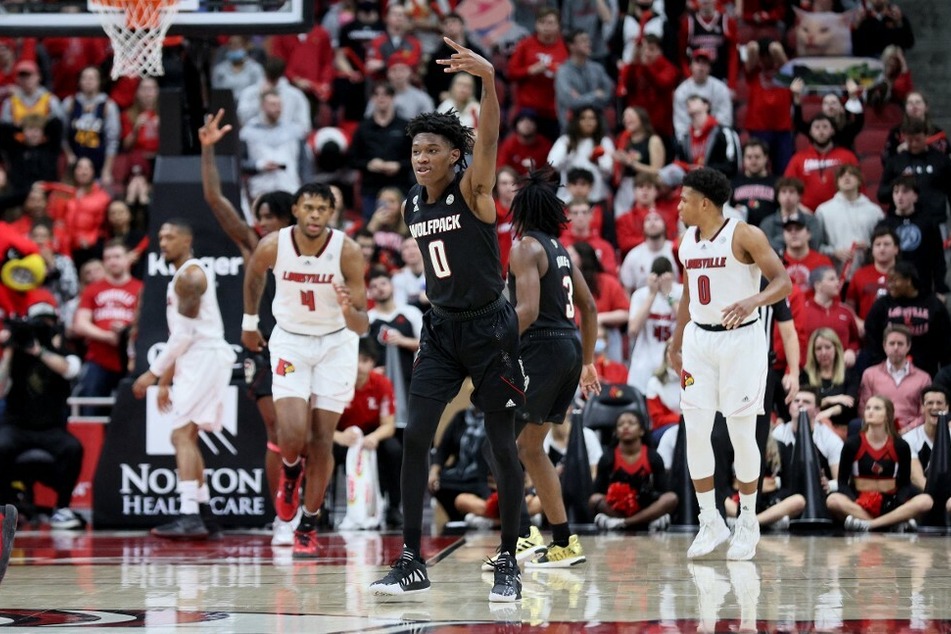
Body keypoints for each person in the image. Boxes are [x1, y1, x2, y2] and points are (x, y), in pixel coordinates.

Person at [369, 38, 527, 603]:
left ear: (453, 156)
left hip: (491, 332)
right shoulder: (412, 203)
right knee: (416, 438)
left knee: (501, 448)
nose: (420, 157)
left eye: (431, 149)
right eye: (416, 149)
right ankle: (412, 558)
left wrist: (488, 81)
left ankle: (508, 557)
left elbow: (486, 138)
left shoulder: (474, 190)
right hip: (439, 331)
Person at [667, 167, 792, 560]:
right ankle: (711, 520)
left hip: (742, 341)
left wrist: (753, 300)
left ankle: (748, 521)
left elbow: (782, 282)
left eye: (684, 198)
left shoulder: (745, 234)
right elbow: (688, 294)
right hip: (699, 342)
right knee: (696, 430)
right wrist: (675, 341)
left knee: (741, 434)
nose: (679, 205)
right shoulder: (687, 240)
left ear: (704, 202)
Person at [242, 182, 369, 558]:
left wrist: (349, 312)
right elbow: (253, 276)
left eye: (322, 209)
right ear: (296, 209)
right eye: (308, 207)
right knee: (291, 433)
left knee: (322, 438)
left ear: (331, 214)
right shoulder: (273, 244)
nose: (314, 215)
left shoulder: (347, 251)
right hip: (292, 340)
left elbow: (362, 325)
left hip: (336, 343)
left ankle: (308, 523)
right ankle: (291, 470)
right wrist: (250, 322)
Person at [198, 109, 296, 547]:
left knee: (306, 433)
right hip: (264, 348)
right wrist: (207, 151)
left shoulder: (311, 247)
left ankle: (307, 509)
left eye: (266, 217)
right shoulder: (254, 244)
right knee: (277, 431)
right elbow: (217, 202)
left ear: (284, 219)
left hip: (305, 342)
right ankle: (282, 513)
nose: (259, 224)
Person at [506, 165, 600, 567]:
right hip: (569, 350)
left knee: (499, 441)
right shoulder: (561, 252)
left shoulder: (525, 247)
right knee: (529, 446)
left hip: (540, 350)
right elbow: (590, 308)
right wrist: (590, 362)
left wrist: (491, 344)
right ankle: (561, 541)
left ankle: (522, 536)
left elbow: (525, 311)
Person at [131, 220, 238, 539]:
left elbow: (184, 334)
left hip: (204, 357)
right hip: (196, 359)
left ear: (187, 240)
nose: (163, 242)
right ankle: (206, 516)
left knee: (181, 435)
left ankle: (189, 515)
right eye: (160, 237)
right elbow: (182, 337)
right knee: (187, 436)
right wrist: (166, 379)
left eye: (170, 237)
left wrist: (152, 373)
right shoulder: (182, 276)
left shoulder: (190, 276)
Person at [0, 301, 84, 529]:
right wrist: (9, 350)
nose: (41, 327)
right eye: (37, 323)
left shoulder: (64, 353)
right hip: (17, 426)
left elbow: (69, 369)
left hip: (51, 428)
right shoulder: (16, 354)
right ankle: (4, 507)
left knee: (73, 448)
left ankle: (62, 509)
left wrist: (39, 351)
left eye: (46, 322)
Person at [826, 395, 933, 532]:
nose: (870, 411)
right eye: (868, 408)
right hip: (859, 503)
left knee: (926, 501)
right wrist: (856, 501)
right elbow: (842, 482)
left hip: (890, 502)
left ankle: (870, 525)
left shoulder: (900, 445)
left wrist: (896, 503)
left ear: (887, 415)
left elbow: (905, 484)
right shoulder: (852, 444)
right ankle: (890, 523)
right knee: (833, 500)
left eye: (877, 408)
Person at [333, 337, 402, 527]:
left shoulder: (382, 383)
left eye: (364, 361)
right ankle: (319, 508)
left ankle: (393, 507)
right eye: (355, 360)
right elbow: (321, 425)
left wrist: (374, 437)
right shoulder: (335, 382)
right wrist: (339, 437)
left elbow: (389, 425)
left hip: (371, 435)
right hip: (342, 435)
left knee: (394, 450)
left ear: (372, 362)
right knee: (323, 450)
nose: (359, 366)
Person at [590, 411, 678, 530]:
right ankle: (644, 523)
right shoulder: (607, 458)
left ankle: (624, 523)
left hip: (646, 507)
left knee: (671, 498)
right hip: (617, 509)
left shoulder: (653, 457)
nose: (626, 426)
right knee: (594, 499)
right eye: (621, 424)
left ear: (641, 430)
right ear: (616, 432)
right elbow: (598, 491)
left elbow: (663, 491)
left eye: (631, 423)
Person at [858, 324, 931, 433]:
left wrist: (908, 429)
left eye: (900, 344)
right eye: (892, 343)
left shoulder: (923, 378)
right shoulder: (870, 374)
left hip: (913, 433)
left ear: (908, 346)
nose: (896, 347)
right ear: (884, 346)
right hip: (877, 431)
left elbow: (925, 413)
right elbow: (863, 409)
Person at [905, 386, 950, 489]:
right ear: (922, 408)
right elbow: (916, 477)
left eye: (939, 403)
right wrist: (936, 495)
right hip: (922, 494)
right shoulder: (909, 439)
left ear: (947, 407)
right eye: (929, 403)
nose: (934, 407)